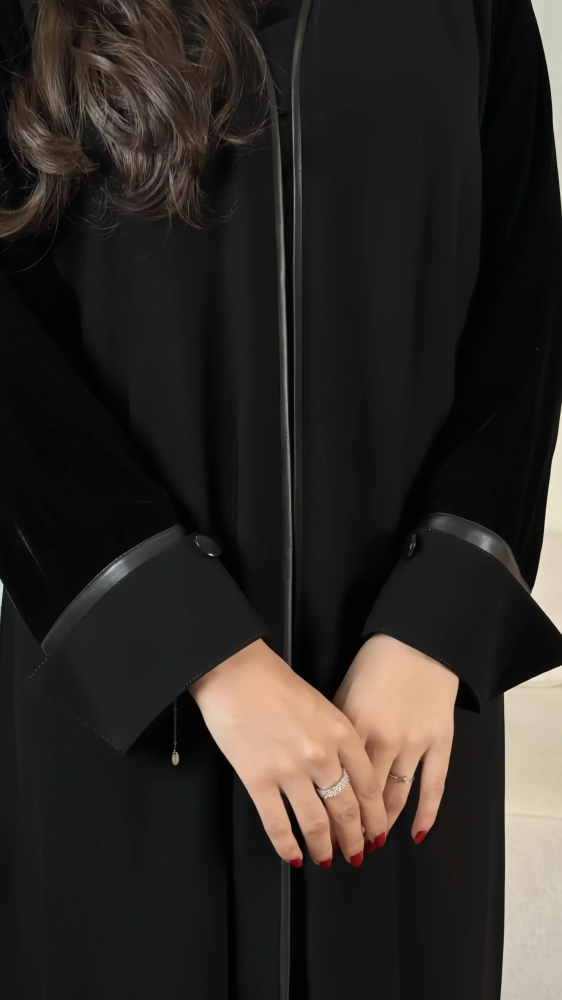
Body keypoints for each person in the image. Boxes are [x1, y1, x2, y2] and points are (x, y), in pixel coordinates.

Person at [1, 0, 561, 997]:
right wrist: (194, 649)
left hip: (402, 717)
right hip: (129, 713)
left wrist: (436, 624)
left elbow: (526, 307)